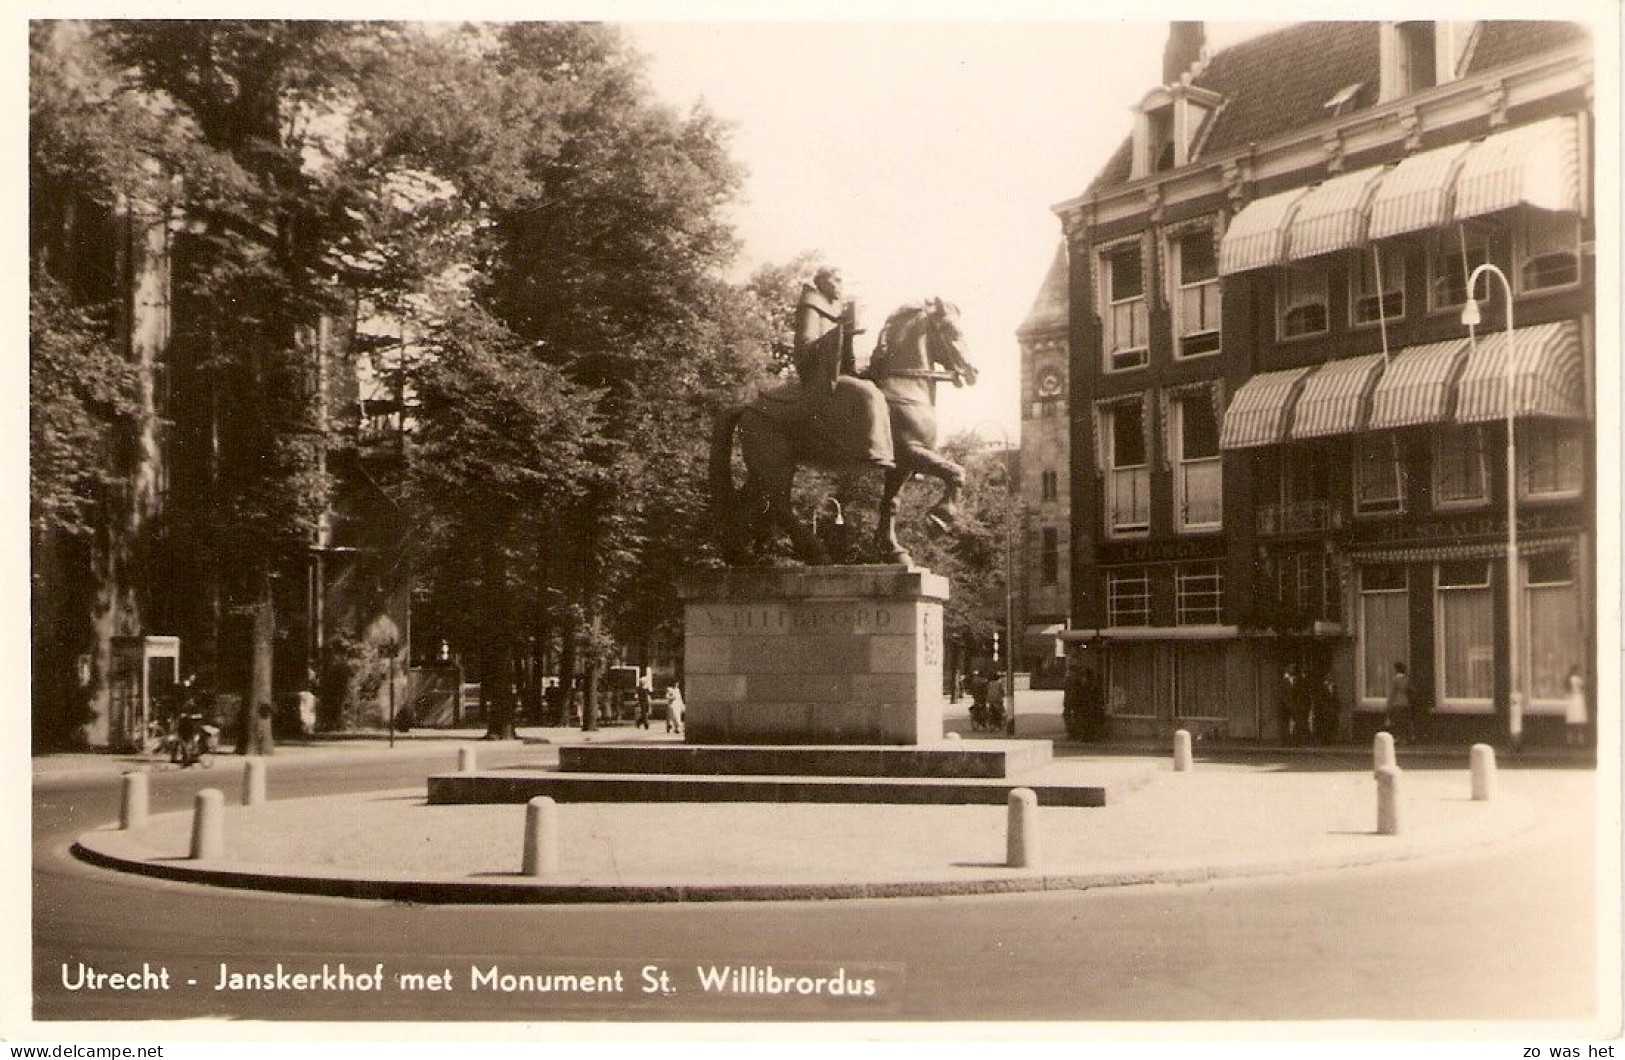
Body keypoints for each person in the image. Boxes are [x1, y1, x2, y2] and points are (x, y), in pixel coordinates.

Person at [754, 267, 894, 468]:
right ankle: (875, 451)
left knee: (875, 387)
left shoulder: (836, 310)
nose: (839, 285)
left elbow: (844, 356)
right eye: (835, 280)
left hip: (835, 370)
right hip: (818, 373)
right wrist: (839, 333)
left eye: (841, 280)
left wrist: (848, 338)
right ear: (821, 282)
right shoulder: (810, 306)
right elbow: (805, 346)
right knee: (868, 392)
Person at [1385, 662, 1412, 744]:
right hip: (1405, 702)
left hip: (1396, 703)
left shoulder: (1395, 679)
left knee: (1397, 721)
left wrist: (1388, 703)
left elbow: (1392, 692)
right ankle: (1405, 738)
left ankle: (1398, 737)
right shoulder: (1406, 679)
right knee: (1404, 721)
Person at [1564, 665, 1587, 747]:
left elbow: (1567, 690)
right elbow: (1583, 686)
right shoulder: (1578, 679)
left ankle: (1569, 740)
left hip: (1571, 700)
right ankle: (1580, 740)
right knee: (1579, 720)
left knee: (1571, 721)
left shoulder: (1568, 679)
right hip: (1577, 698)